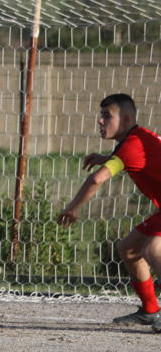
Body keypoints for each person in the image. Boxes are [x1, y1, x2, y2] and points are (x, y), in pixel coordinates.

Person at [58, 93, 161, 330]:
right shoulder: (135, 139)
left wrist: (72, 209)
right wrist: (107, 158)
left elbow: (96, 179)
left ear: (125, 120)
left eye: (107, 115)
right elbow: (138, 158)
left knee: (153, 249)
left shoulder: (132, 146)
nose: (100, 120)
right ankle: (150, 311)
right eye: (100, 115)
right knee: (129, 248)